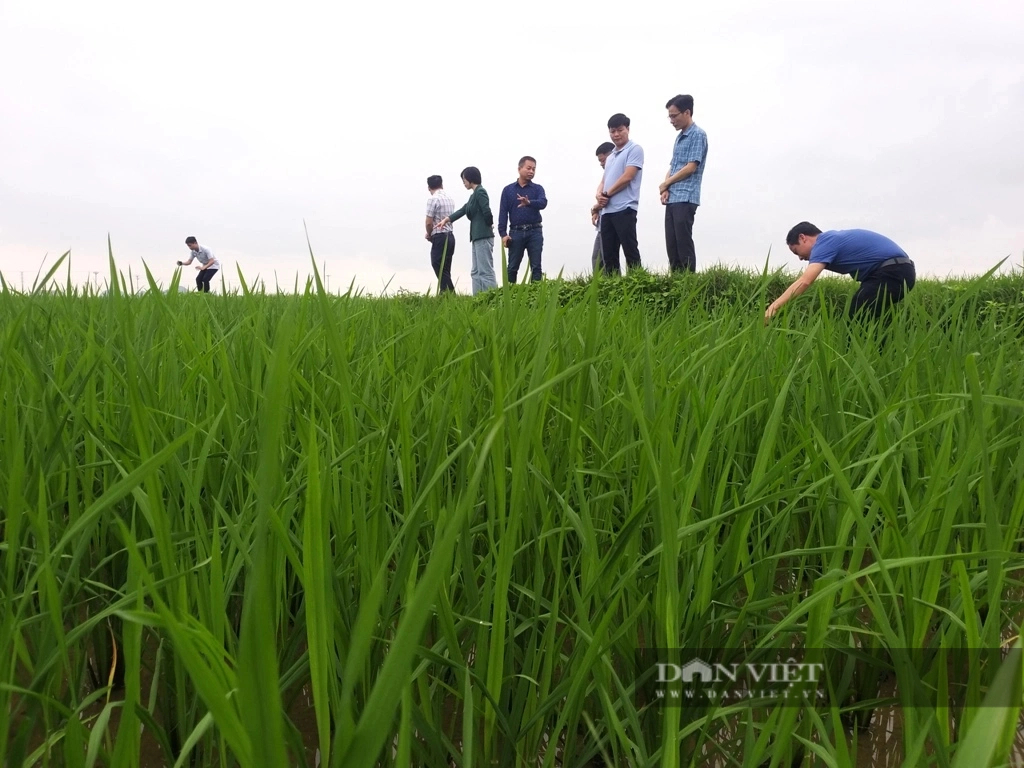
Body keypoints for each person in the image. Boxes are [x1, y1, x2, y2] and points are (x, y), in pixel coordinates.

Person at [765, 222, 916, 322]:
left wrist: (774, 307)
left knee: (856, 317)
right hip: (896, 272)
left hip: (892, 272)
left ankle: (861, 359)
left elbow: (805, 281)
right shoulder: (832, 241)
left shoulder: (824, 242)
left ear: (803, 238)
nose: (799, 258)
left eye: (796, 251)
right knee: (868, 319)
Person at [659, 94, 708, 273]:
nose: (671, 120)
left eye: (674, 115)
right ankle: (676, 281)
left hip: (686, 196)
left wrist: (666, 183)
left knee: (683, 241)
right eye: (669, 116)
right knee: (672, 243)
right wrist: (666, 187)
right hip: (673, 197)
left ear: (687, 112)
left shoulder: (697, 134)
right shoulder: (679, 137)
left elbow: (690, 167)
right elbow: (673, 165)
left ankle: (688, 281)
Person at [595, 114, 644, 275]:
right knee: (609, 255)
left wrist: (607, 194)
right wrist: (599, 195)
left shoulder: (634, 149)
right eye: (613, 131)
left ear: (627, 129)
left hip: (625, 208)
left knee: (630, 249)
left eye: (620, 130)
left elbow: (627, 177)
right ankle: (613, 288)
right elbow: (604, 180)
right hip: (607, 211)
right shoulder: (610, 157)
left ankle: (638, 283)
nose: (616, 134)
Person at [437, 167, 497, 294]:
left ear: (470, 179)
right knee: (475, 271)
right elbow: (463, 210)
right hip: (476, 236)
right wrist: (446, 220)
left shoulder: (481, 192)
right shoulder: (473, 196)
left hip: (483, 235)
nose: (463, 183)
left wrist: (489, 225)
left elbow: (487, 211)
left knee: (485, 270)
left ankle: (492, 297)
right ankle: (478, 299)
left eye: (464, 179)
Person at [498, 156, 548, 284]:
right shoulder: (508, 190)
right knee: (512, 268)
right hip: (516, 233)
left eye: (534, 169)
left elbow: (543, 203)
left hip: (535, 231)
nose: (531, 171)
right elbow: (503, 213)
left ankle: (536, 297)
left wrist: (529, 202)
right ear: (519, 169)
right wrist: (503, 234)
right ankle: (509, 297)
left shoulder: (538, 188)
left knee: (536, 267)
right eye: (529, 168)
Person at [425, 175, 456, 293]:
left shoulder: (433, 199)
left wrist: (429, 233)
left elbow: (429, 222)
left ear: (429, 187)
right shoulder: (450, 198)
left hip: (439, 236)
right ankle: (444, 294)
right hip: (450, 235)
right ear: (442, 185)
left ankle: (450, 293)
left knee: (437, 264)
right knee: (446, 268)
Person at [590, 142, 615, 273]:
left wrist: (595, 208)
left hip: (612, 220)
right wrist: (595, 209)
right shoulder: (606, 176)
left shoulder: (615, 174)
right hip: (602, 222)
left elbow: (604, 198)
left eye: (602, 160)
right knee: (597, 259)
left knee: (608, 260)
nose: (601, 164)